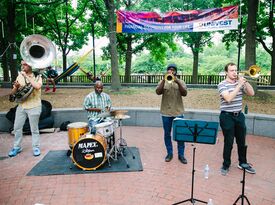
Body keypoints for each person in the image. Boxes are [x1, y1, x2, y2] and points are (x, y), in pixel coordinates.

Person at [218, 62, 256, 175]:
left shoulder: (240, 83)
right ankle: (225, 165)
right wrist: (239, 85)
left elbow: (252, 93)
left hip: (239, 115)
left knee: (241, 141)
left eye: (236, 70)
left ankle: (243, 163)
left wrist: (245, 82)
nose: (235, 73)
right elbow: (228, 98)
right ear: (226, 72)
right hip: (226, 116)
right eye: (232, 70)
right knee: (228, 142)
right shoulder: (222, 84)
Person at [8, 60, 43, 157]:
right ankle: (17, 147)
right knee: (17, 128)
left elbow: (37, 86)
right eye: (22, 64)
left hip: (34, 106)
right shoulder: (19, 76)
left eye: (25, 64)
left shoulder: (38, 76)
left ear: (30, 65)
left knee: (34, 129)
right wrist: (16, 87)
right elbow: (14, 92)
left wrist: (26, 76)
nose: (22, 66)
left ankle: (36, 147)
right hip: (22, 106)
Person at [156, 63, 188, 164]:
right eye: (169, 69)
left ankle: (181, 155)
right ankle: (169, 153)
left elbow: (184, 93)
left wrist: (177, 81)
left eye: (173, 69)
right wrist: (163, 80)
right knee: (167, 134)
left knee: (180, 135)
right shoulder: (163, 81)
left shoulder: (181, 81)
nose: (171, 71)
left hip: (178, 112)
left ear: (176, 71)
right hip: (166, 113)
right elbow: (158, 92)